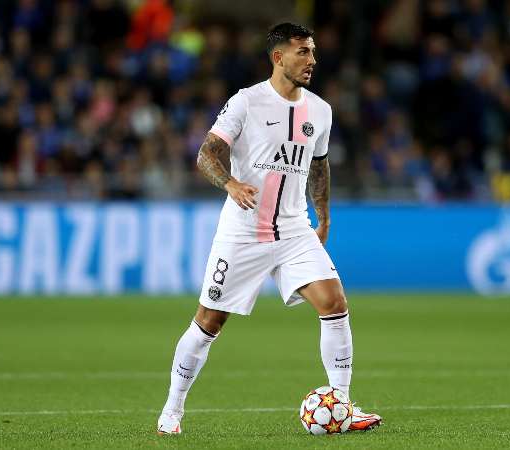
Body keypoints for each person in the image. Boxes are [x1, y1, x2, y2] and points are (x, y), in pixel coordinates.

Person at [156, 22, 382, 435]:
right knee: (209, 322)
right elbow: (207, 154)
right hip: (243, 230)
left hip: (294, 229)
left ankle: (343, 405)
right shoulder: (246, 102)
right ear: (278, 57)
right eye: (302, 52)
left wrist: (325, 214)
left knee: (334, 303)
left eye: (312, 52)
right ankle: (172, 410)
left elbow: (319, 164)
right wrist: (229, 182)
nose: (312, 60)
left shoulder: (320, 110)